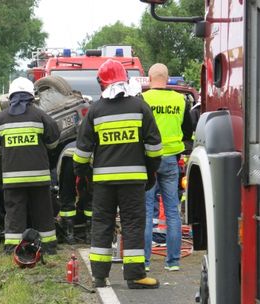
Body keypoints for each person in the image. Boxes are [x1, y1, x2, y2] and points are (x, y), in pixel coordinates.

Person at [73, 59, 162, 289]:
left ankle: (99, 277)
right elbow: (154, 147)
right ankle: (135, 276)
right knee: (133, 224)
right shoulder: (140, 107)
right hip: (133, 181)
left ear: (102, 83)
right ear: (124, 80)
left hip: (103, 183)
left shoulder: (94, 111)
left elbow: (81, 153)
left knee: (102, 224)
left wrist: (86, 177)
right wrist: (150, 173)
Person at [0, 77, 61, 255]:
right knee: (43, 212)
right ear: (31, 96)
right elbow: (54, 141)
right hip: (39, 178)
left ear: (11, 96)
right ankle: (48, 247)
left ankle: (13, 249)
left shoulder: (0, 119)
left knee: (14, 214)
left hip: (12, 179)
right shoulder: (40, 116)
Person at [142, 63, 193, 272]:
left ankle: (144, 262)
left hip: (148, 160)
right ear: (167, 78)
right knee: (172, 211)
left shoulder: (143, 99)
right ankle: (173, 262)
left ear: (149, 77)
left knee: (145, 211)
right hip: (172, 159)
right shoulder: (180, 100)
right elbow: (188, 131)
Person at [57, 143, 93, 244]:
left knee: (67, 194)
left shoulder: (68, 142)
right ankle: (90, 234)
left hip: (67, 155)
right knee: (91, 195)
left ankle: (69, 234)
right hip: (89, 156)